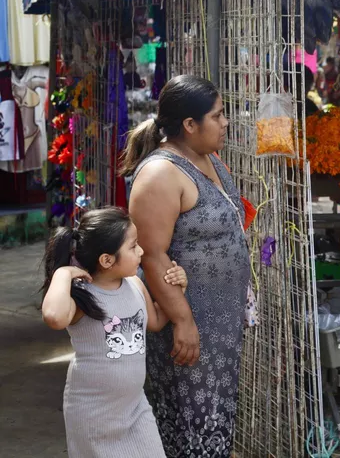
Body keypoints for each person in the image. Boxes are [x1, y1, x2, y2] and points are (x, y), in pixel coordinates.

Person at [120, 75, 252, 457]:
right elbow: (152, 253)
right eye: (218, 115)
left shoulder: (206, 156)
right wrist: (182, 320)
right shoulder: (161, 174)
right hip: (190, 327)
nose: (226, 122)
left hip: (218, 326)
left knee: (213, 413)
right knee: (189, 417)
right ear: (189, 125)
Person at [40, 207, 188, 458]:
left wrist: (179, 288)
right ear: (107, 260)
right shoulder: (82, 297)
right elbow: (53, 316)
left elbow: (156, 321)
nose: (141, 251)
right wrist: (63, 274)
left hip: (134, 408)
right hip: (92, 415)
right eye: (133, 247)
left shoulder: (135, 284)